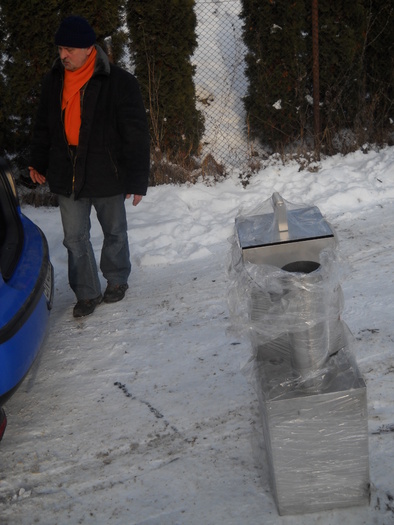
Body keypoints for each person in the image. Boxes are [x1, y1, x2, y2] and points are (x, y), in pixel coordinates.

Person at [29, 15, 150, 318]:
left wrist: (137, 179)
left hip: (106, 169)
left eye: (68, 49)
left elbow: (136, 134)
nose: (62, 56)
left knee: (114, 231)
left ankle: (117, 278)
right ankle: (86, 292)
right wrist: (38, 161)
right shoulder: (54, 79)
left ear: (87, 48)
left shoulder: (119, 82)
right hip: (66, 169)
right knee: (74, 237)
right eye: (60, 49)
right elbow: (43, 126)